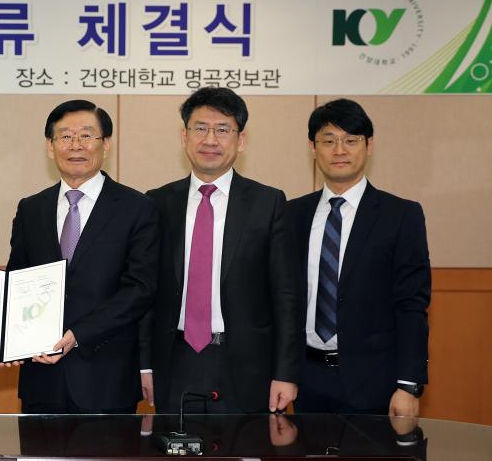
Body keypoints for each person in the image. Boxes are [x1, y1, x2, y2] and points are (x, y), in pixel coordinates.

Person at [145, 87, 303, 414]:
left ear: (241, 140)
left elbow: (286, 294)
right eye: (200, 128)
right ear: (184, 137)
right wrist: (145, 364)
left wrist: (286, 372)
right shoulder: (158, 202)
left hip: (246, 365)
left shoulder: (268, 203)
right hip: (175, 360)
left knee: (245, 442)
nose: (210, 140)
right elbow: (145, 291)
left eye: (222, 130)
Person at [3, 99, 159, 414]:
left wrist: (78, 335)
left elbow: (140, 289)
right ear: (50, 146)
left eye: (86, 135)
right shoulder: (31, 209)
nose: (76, 145)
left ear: (106, 144)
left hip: (106, 378)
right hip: (41, 377)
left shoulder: (137, 208)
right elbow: (17, 281)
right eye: (65, 136)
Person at [287, 98, 430, 415]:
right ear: (313, 148)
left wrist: (408, 384)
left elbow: (411, 304)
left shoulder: (401, 215)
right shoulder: (292, 214)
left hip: (376, 381)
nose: (339, 150)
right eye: (328, 141)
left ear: (369, 145)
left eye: (350, 141)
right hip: (306, 379)